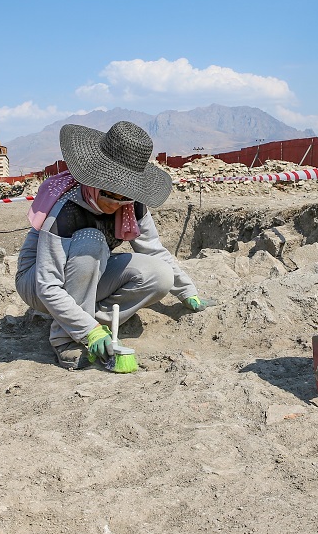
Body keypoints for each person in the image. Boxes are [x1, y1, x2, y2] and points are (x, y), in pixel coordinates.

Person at [16, 121, 208, 373]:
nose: (115, 203)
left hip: (86, 275)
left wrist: (187, 290)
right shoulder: (66, 209)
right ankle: (66, 340)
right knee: (91, 242)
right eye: (109, 193)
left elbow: (153, 250)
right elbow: (47, 285)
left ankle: (88, 323)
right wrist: (88, 332)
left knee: (160, 275)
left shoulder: (132, 205)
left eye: (123, 195)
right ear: (94, 178)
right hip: (37, 283)